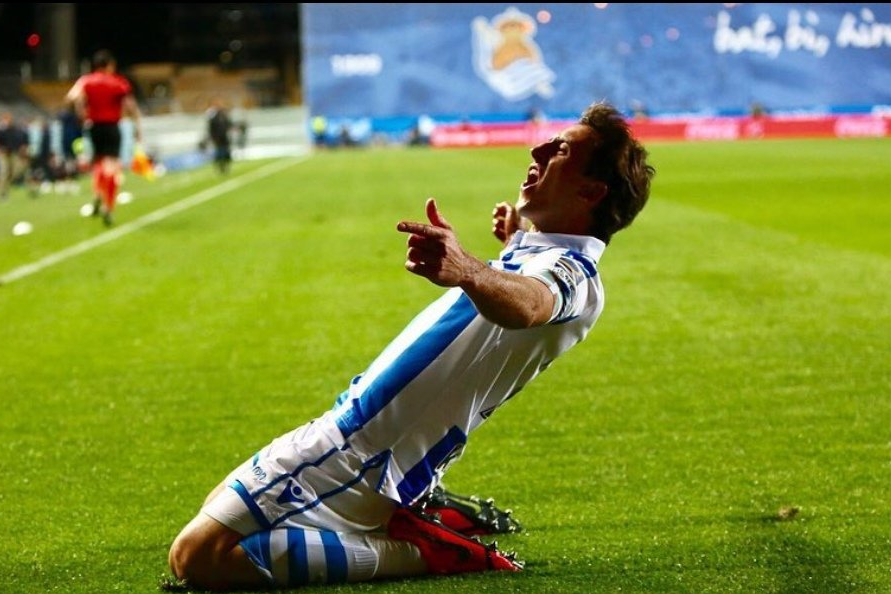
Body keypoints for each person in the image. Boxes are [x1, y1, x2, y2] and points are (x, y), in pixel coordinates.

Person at [167, 101, 655, 590]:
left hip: (362, 453)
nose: (538, 150)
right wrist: (513, 242)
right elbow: (522, 295)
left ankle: (423, 551)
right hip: (354, 433)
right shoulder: (544, 253)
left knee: (198, 558)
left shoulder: (574, 274)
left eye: (560, 151)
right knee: (214, 511)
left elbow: (531, 304)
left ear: (591, 191)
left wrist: (468, 269)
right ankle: (409, 514)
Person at [65, 49, 143, 227]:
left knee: (99, 163)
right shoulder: (117, 82)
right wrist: (138, 127)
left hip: (94, 126)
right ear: (110, 65)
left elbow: (71, 97)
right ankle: (108, 207)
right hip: (111, 126)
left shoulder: (86, 80)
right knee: (112, 166)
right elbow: (130, 105)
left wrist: (82, 113)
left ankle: (97, 195)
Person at [0, 112, 31, 200]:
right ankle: (3, 193)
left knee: (12, 173)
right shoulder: (2, 131)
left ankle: (6, 189)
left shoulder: (14, 130)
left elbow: (19, 141)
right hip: (4, 155)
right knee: (4, 173)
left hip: (13, 154)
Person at [205, 98, 234, 174]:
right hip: (218, 138)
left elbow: (229, 124)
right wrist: (213, 137)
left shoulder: (224, 116)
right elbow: (211, 129)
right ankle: (220, 166)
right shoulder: (213, 117)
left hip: (225, 137)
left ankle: (225, 166)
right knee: (219, 152)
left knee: (226, 152)